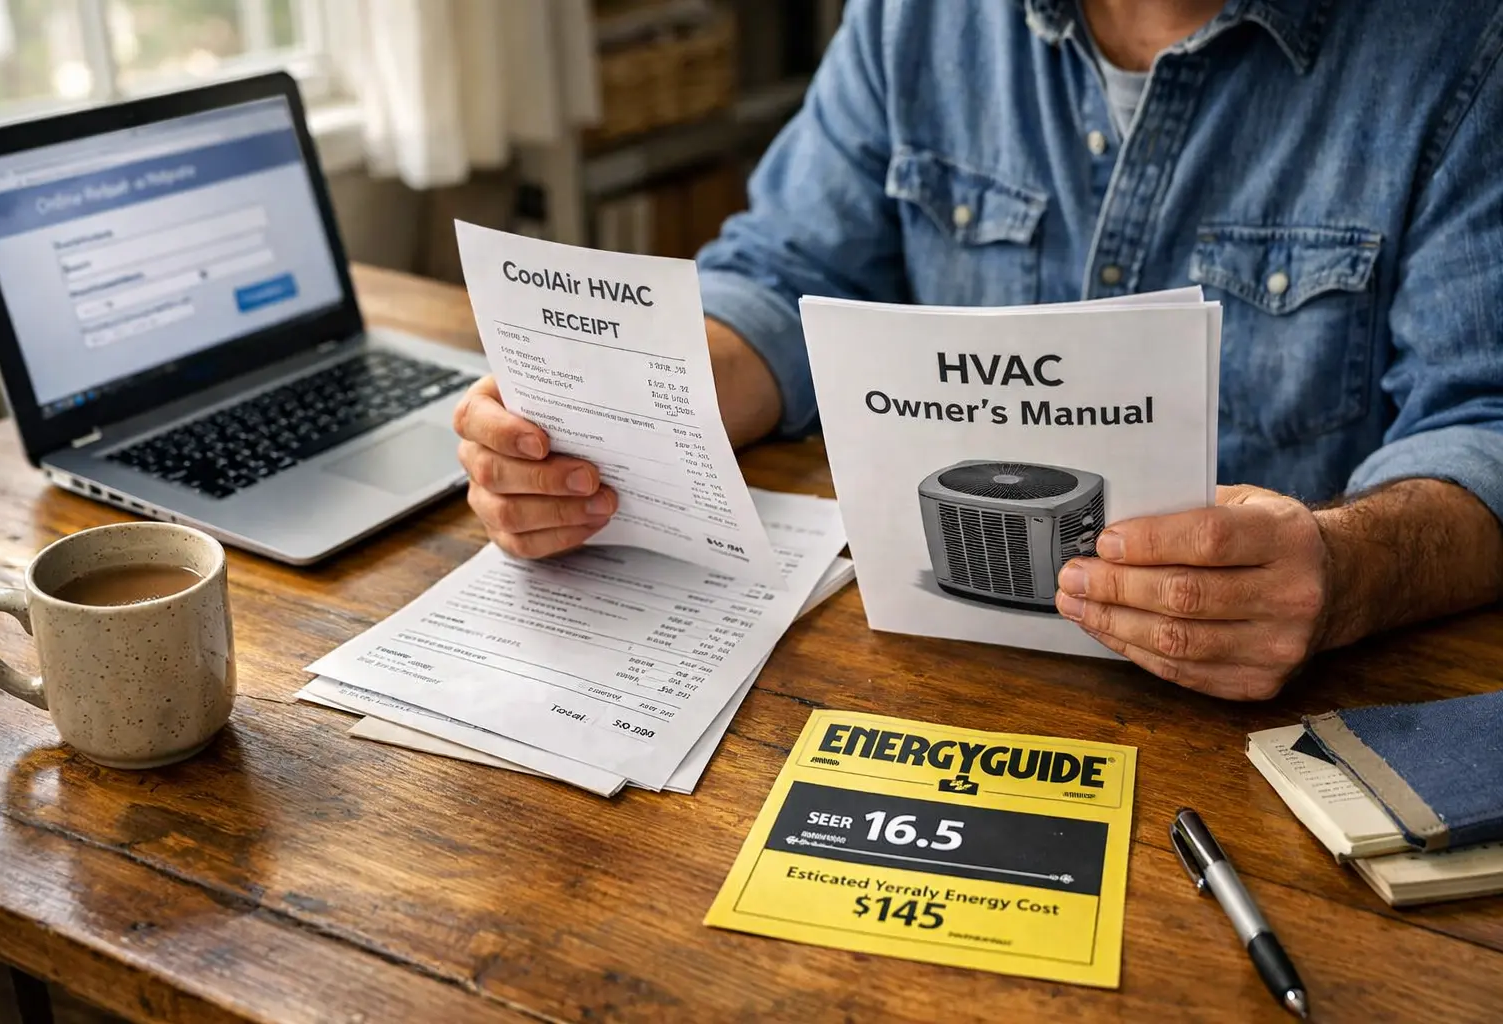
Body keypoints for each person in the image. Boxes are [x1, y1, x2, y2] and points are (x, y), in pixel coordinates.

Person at [452, 0, 1503, 700]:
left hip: (1269, 712)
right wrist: (613, 419)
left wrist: (1349, 568)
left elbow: (1485, 425)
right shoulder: (916, 16)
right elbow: (784, 273)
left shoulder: (1465, 46)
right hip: (928, 672)